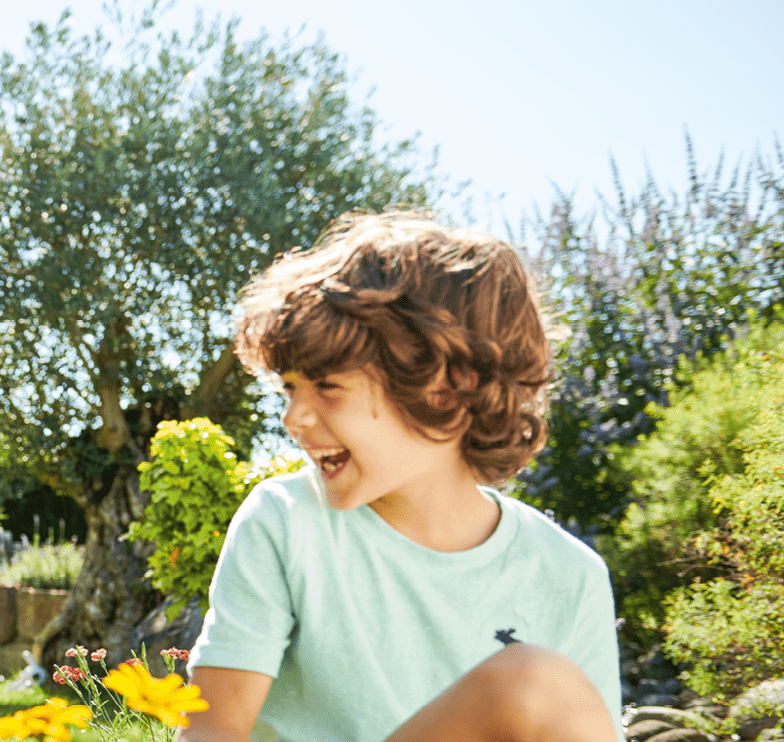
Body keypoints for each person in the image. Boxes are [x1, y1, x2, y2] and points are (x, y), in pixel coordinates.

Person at [178, 212, 623, 742]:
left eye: (326, 386)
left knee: (533, 684)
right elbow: (213, 729)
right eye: (289, 388)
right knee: (527, 681)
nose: (293, 418)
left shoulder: (570, 577)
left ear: (446, 387)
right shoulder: (287, 522)